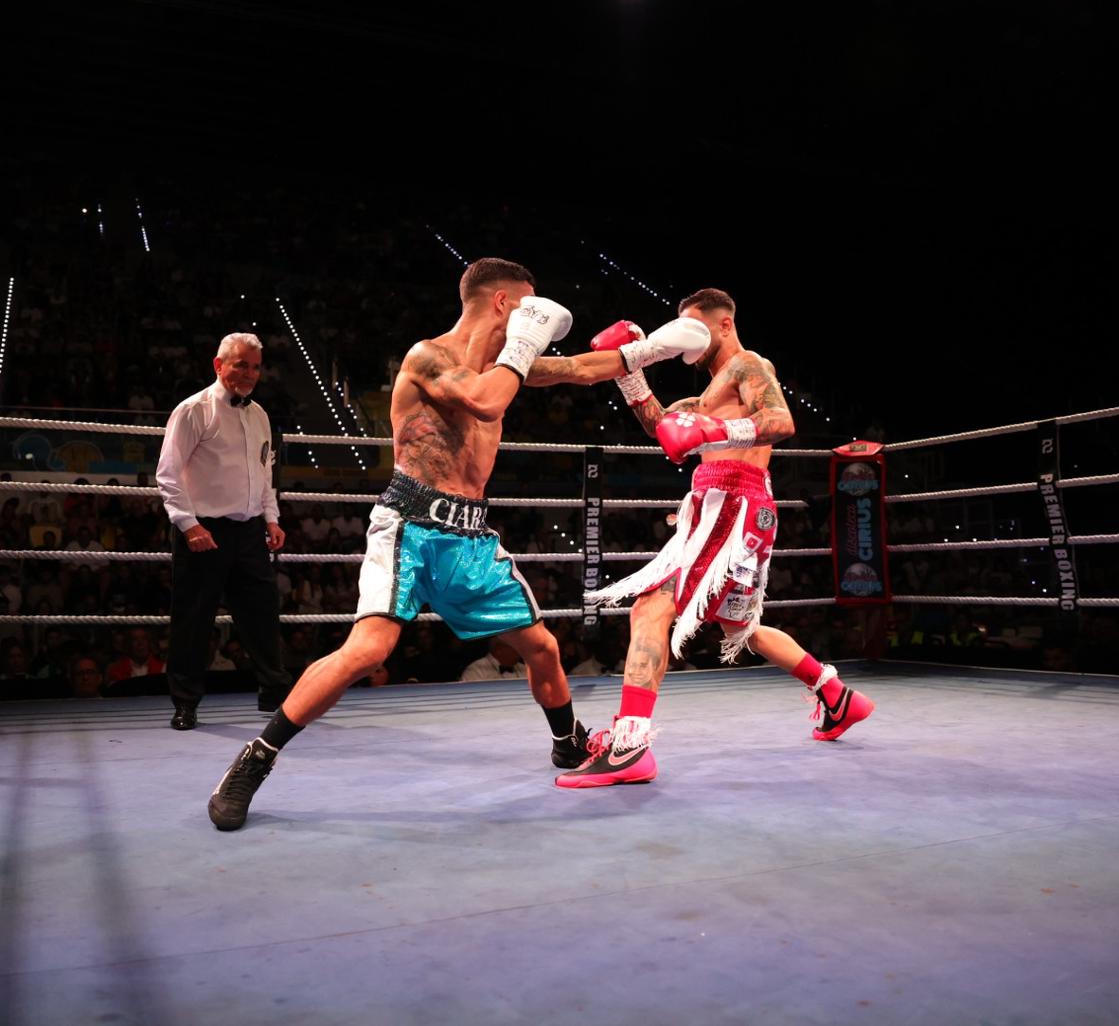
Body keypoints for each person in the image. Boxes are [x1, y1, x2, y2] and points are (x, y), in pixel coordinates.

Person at [207, 257, 708, 830]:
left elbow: (577, 368)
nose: (532, 327)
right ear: (503, 305)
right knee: (368, 650)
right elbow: (485, 401)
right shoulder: (430, 358)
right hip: (410, 525)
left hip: (469, 535)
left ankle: (568, 742)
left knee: (541, 647)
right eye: (526, 308)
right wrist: (521, 346)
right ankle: (254, 761)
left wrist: (648, 352)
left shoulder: (508, 364)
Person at [557, 288, 875, 789]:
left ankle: (630, 745)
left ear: (723, 325)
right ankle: (835, 694)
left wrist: (710, 431)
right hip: (717, 507)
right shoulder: (706, 394)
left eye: (697, 328)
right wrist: (630, 372)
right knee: (738, 626)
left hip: (734, 502)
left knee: (650, 607)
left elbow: (780, 422)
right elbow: (664, 429)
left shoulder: (747, 364)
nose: (690, 341)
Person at [156, 331, 292, 730]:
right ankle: (185, 703)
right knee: (193, 620)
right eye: (240, 365)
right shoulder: (193, 410)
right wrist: (188, 524)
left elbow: (264, 473)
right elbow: (167, 474)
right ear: (219, 365)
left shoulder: (260, 414)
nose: (248, 374)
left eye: (254, 366)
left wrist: (271, 518)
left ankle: (273, 691)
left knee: (262, 613)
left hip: (249, 530)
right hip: (204, 530)